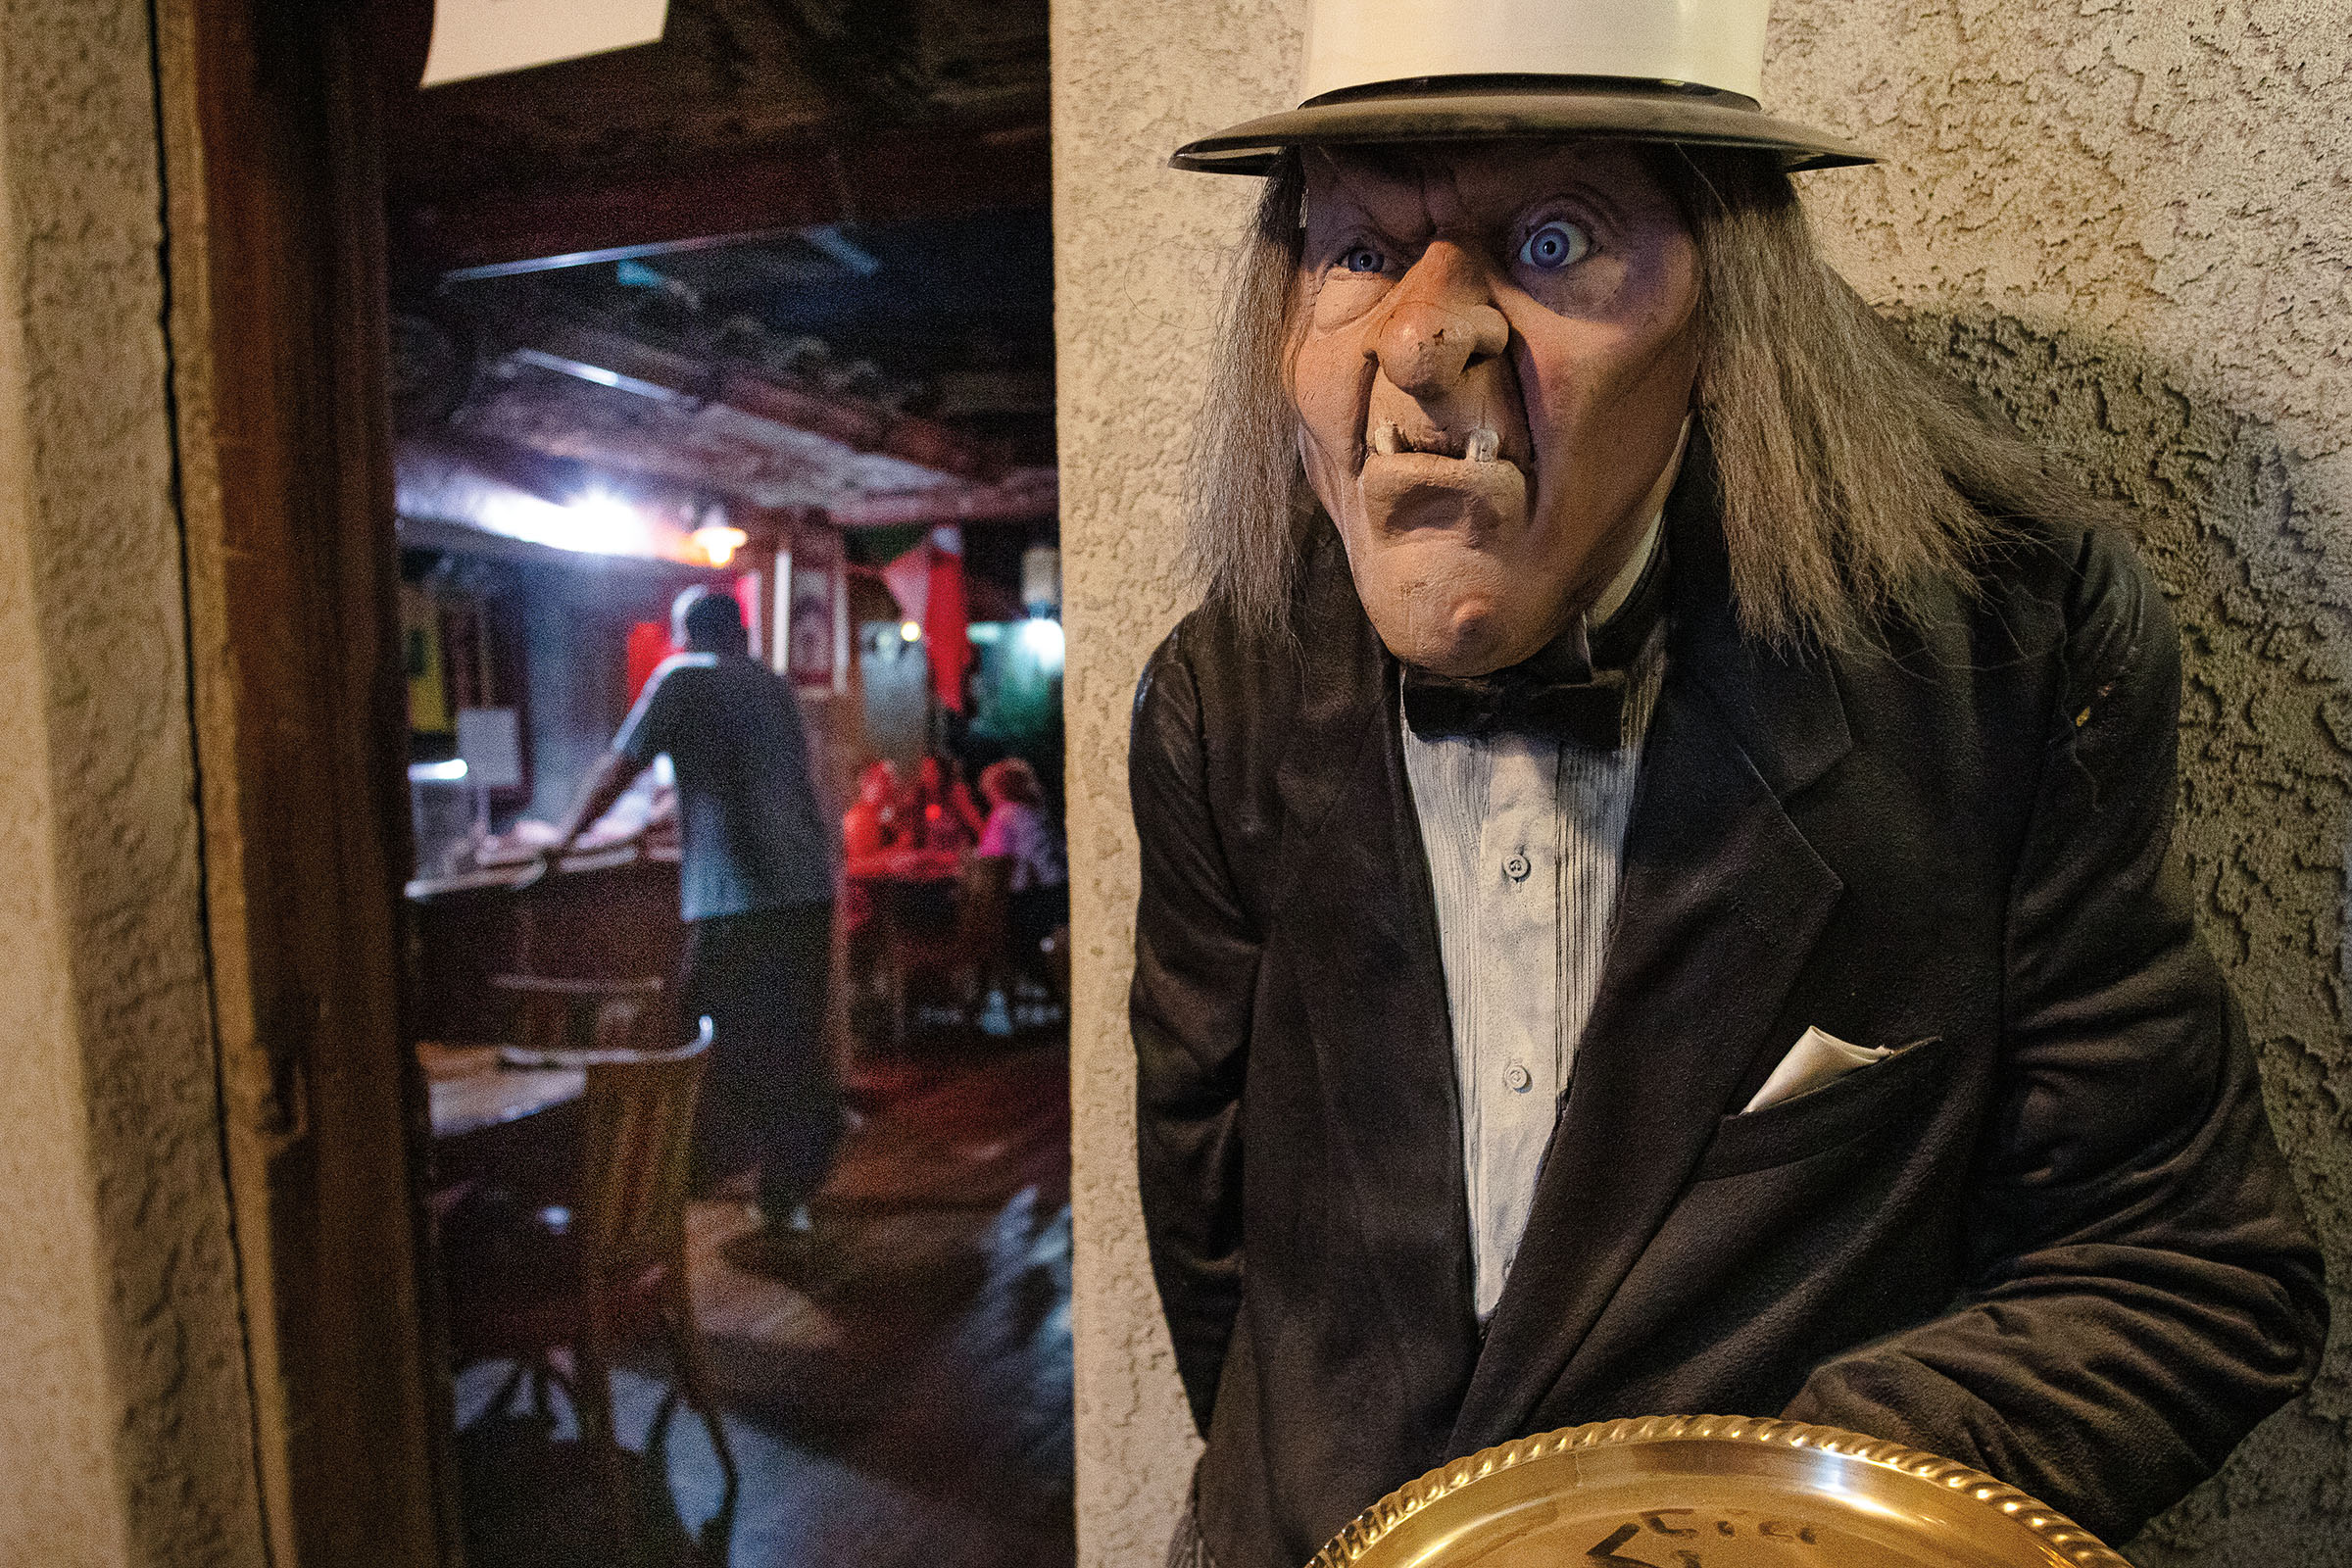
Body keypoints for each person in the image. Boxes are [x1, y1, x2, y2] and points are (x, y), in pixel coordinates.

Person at [1129, 5, 2328, 1567]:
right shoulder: (1218, 701)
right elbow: (1213, 1241)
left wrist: (1758, 1515)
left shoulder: (2001, 667)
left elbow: (2182, 1264)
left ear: (1728, 312)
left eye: (1555, 241)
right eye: (1358, 249)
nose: (1425, 345)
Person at [548, 584, 839, 1271]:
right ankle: (783, 1188)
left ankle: (679, 1183)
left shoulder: (680, 678)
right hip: (805, 889)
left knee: (706, 1031)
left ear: (686, 635)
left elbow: (618, 769)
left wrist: (561, 846)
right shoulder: (770, 685)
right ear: (738, 632)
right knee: (790, 1037)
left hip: (738, 895)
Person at [977, 757, 1068, 956]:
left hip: (1030, 898)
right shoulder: (1036, 811)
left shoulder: (1004, 814)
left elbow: (992, 861)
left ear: (999, 788)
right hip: (1057, 890)